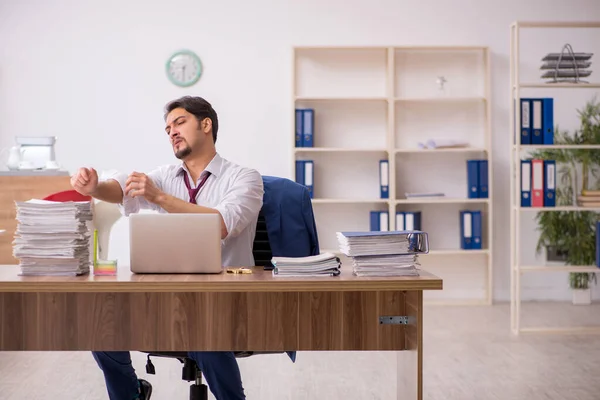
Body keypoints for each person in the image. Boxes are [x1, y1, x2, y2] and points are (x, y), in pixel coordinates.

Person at [70, 96, 264, 400]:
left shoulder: (244, 178)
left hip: (224, 298)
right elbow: (121, 188)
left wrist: (160, 198)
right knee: (102, 326)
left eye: (179, 122)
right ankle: (131, 393)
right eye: (168, 128)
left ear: (206, 124)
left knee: (205, 334)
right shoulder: (164, 177)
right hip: (168, 296)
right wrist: (94, 187)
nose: (172, 131)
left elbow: (221, 225)